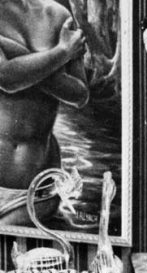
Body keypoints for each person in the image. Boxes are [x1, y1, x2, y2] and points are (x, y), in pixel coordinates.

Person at [0, 0, 89, 225]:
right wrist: (61, 52)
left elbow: (79, 94)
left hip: (38, 189)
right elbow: (7, 79)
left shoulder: (58, 14)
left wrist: (20, 57)